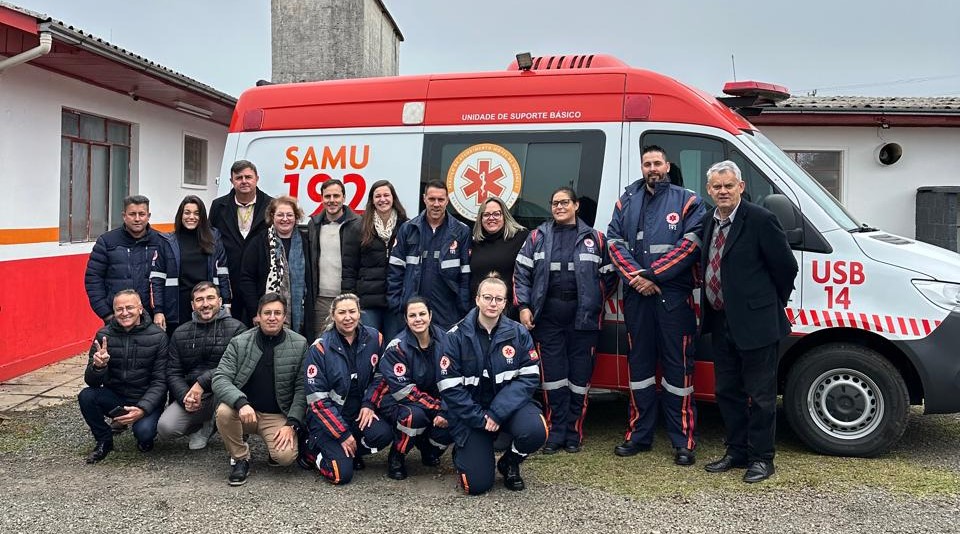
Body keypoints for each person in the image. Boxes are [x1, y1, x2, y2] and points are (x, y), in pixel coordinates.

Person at [606, 145, 706, 465]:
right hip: (637, 297)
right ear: (642, 166)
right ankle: (639, 435)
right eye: (647, 163)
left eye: (657, 163)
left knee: (679, 370)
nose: (652, 168)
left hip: (673, 297)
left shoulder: (688, 201)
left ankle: (683, 441)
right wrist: (637, 277)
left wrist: (653, 276)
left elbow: (690, 246)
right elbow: (614, 243)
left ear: (667, 165)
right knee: (640, 371)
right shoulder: (627, 201)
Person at [699, 160, 798, 483]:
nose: (723, 191)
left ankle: (762, 458)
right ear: (709, 190)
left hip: (757, 323)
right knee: (727, 391)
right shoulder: (708, 222)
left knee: (761, 395)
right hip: (720, 321)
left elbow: (786, 268)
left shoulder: (760, 219)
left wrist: (767, 305)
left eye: (729, 185)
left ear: (741, 187)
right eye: (717, 186)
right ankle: (736, 451)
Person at [515, 187, 617, 454]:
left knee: (579, 379)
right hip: (547, 318)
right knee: (553, 378)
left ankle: (574, 432)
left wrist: (594, 299)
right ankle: (555, 431)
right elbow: (522, 274)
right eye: (555, 203)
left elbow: (609, 275)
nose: (559, 207)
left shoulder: (595, 239)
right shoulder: (537, 237)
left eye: (564, 203)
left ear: (576, 205)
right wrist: (524, 306)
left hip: (583, 318)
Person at [439, 273, 547, 495]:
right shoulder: (454, 337)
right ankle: (466, 451)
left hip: (506, 409)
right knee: (476, 486)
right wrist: (480, 418)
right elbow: (450, 387)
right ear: (477, 299)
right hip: (472, 414)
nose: (493, 303)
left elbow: (529, 377)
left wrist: (497, 413)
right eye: (488, 297)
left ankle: (510, 462)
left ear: (505, 303)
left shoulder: (519, 333)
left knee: (536, 430)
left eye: (499, 299)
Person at [212, 292, 309, 486]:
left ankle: (273, 449)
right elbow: (220, 378)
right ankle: (240, 458)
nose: (272, 317)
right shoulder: (239, 342)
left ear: (284, 317)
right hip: (245, 412)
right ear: (258, 316)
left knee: (285, 458)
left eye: (277, 313)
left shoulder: (300, 344)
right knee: (223, 411)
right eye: (267, 313)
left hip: (277, 414)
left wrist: (292, 424)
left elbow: (302, 388)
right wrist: (240, 403)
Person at [302, 294, 392, 485]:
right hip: (328, 420)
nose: (347, 317)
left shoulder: (375, 338)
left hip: (358, 413)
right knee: (340, 475)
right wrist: (342, 434)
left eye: (352, 311)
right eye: (341, 312)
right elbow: (318, 402)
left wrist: (369, 403)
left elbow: (382, 376)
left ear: (360, 313)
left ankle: (350, 452)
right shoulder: (319, 349)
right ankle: (311, 450)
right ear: (333, 316)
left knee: (383, 434)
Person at [78, 290, 168, 464]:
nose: (124, 313)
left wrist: (142, 408)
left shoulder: (158, 337)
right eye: (119, 309)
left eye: (130, 307)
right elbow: (91, 381)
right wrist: (98, 366)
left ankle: (144, 436)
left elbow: (160, 381)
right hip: (116, 398)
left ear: (140, 309)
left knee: (144, 433)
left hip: (145, 398)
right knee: (87, 395)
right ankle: (104, 440)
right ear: (114, 311)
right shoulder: (104, 335)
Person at [157, 282, 245, 449]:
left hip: (225, 392)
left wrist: (202, 382)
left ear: (219, 301)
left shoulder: (237, 329)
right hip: (195, 396)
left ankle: (220, 426)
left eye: (210, 298)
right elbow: (173, 372)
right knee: (165, 428)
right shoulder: (180, 333)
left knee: (230, 392)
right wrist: (185, 398)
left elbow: (237, 367)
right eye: (199, 300)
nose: (205, 304)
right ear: (192, 305)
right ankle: (203, 424)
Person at [377, 297, 452, 480]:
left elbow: (453, 379)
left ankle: (429, 448)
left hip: (432, 400)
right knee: (414, 417)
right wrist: (438, 408)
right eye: (412, 315)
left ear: (430, 315)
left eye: (422, 314)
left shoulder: (447, 341)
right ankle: (397, 455)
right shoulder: (397, 347)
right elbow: (404, 392)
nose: (418, 319)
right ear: (405, 319)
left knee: (456, 415)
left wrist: (447, 408)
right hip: (399, 401)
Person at [388, 180, 471, 330]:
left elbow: (465, 273)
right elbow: (395, 269)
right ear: (424, 198)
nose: (436, 204)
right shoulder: (408, 229)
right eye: (432, 199)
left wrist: (463, 306)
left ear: (447, 200)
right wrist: (397, 303)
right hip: (414, 310)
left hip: (447, 311)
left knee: (445, 352)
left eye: (441, 199)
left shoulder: (461, 231)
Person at [151, 195, 231, 334]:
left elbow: (223, 274)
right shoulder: (167, 242)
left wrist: (226, 304)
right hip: (177, 308)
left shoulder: (214, 240)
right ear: (180, 215)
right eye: (187, 213)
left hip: (207, 306)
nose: (191, 217)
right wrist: (158, 311)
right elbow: (157, 279)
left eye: (196, 213)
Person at [239, 196, 315, 339]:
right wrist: (256, 311)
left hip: (300, 317)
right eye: (280, 215)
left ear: (296, 217)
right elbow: (246, 278)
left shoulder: (306, 242)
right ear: (272, 216)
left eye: (289, 215)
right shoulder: (259, 242)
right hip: (266, 316)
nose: (285, 219)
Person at [84, 195, 167, 326]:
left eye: (142, 214)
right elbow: (93, 279)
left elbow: (167, 280)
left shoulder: (162, 242)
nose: (137, 219)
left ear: (148, 216)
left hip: (152, 319)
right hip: (117, 320)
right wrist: (107, 314)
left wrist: (160, 311)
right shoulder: (106, 242)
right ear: (124, 216)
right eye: (132, 214)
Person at [341, 179, 409, 339]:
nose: (382, 199)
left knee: (394, 347)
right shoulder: (358, 227)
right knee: (369, 346)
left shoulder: (406, 226)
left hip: (396, 301)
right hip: (367, 303)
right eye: (377, 196)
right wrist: (349, 300)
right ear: (372, 200)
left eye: (386, 195)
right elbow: (349, 269)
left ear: (393, 198)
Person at [210, 160, 274, 325]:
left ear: (256, 179)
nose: (244, 181)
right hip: (229, 279)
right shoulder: (218, 206)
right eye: (239, 178)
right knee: (230, 326)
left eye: (248, 177)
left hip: (260, 279)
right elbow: (211, 240)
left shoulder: (271, 205)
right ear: (231, 181)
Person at [307, 179, 360, 334]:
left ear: (344, 198)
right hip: (321, 299)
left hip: (349, 298)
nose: (332, 201)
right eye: (327, 196)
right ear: (322, 199)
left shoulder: (358, 225)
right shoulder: (314, 225)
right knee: (320, 342)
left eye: (336, 196)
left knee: (348, 341)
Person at [469, 197, 528, 321]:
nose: (491, 218)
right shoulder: (473, 241)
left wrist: (524, 307)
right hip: (478, 312)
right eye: (486, 215)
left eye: (496, 214)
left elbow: (527, 276)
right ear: (480, 219)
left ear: (505, 215)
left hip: (509, 313)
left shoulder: (521, 237)